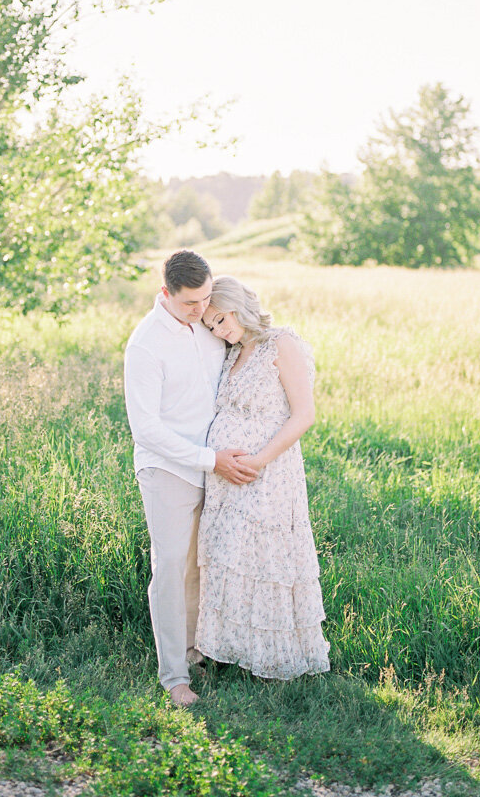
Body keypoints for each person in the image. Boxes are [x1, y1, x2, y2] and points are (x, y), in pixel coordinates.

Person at [124, 251, 259, 707]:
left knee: (202, 567)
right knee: (170, 569)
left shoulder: (207, 326)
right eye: (189, 304)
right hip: (169, 469)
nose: (200, 311)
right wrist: (209, 459)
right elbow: (146, 430)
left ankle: (200, 651)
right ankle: (174, 677)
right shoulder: (145, 345)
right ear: (165, 294)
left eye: (205, 300)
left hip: (215, 467)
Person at [195, 275, 330, 679]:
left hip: (268, 472)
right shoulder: (230, 353)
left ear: (239, 304)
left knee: (266, 558)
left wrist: (258, 460)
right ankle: (230, 648)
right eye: (212, 326)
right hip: (226, 475)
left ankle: (273, 654)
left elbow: (303, 414)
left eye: (221, 319)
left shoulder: (280, 343)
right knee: (231, 555)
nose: (220, 330)